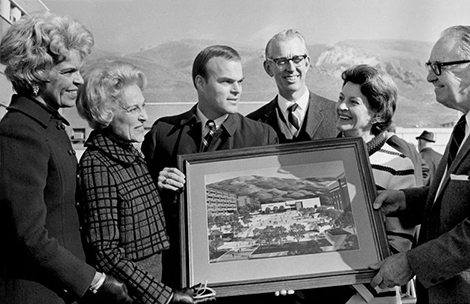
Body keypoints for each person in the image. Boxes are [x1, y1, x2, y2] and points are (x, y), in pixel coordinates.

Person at [0, 12, 132, 304]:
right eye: (69, 71)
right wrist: (96, 282)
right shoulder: (19, 133)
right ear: (37, 72)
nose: (80, 80)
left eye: (79, 71)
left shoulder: (49, 125)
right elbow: (28, 236)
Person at [370, 25, 470, 304]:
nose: (429, 76)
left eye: (439, 67)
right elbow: (455, 198)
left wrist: (412, 263)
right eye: (430, 66)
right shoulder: (468, 123)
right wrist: (405, 201)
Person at [141, 45, 279, 301]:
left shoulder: (261, 137)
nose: (237, 90)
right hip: (180, 282)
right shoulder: (163, 134)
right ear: (200, 82)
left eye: (240, 82)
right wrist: (156, 187)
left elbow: (273, 208)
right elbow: (143, 213)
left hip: (240, 281)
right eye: (226, 81)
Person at [76, 60, 214, 304]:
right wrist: (167, 297)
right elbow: (106, 254)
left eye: (144, 106)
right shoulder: (97, 163)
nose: (145, 117)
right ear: (105, 114)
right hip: (134, 297)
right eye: (133, 110)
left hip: (150, 286)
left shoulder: (130, 153)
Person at [334, 64, 417, 304]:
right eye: (340, 98)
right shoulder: (322, 158)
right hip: (318, 293)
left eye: (353, 102)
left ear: (377, 113)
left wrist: (358, 295)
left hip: (370, 297)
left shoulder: (398, 164)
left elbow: (399, 245)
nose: (341, 107)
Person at [247, 29, 338, 143]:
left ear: (307, 63)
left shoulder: (337, 115)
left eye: (297, 59)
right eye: (282, 61)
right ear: (268, 68)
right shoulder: (252, 125)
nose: (291, 68)